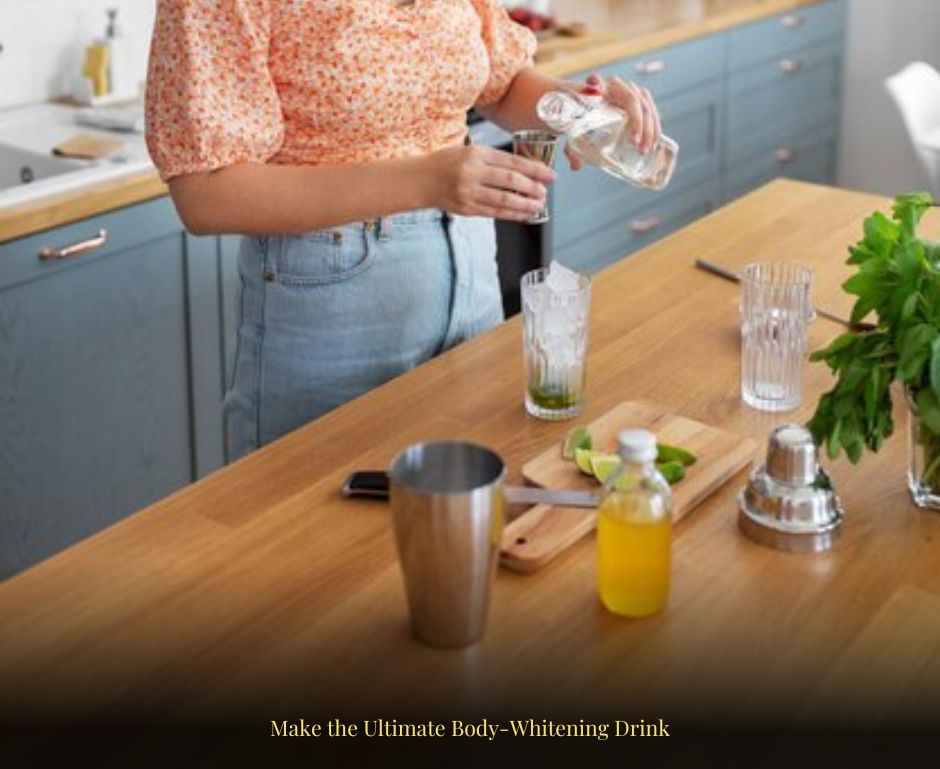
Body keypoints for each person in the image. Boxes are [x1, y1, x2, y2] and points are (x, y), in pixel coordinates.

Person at [145, 0, 663, 460]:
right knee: (318, 545)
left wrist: (584, 112)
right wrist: (428, 180)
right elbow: (205, 192)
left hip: (472, 271)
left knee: (463, 527)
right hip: (329, 303)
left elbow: (502, 84)